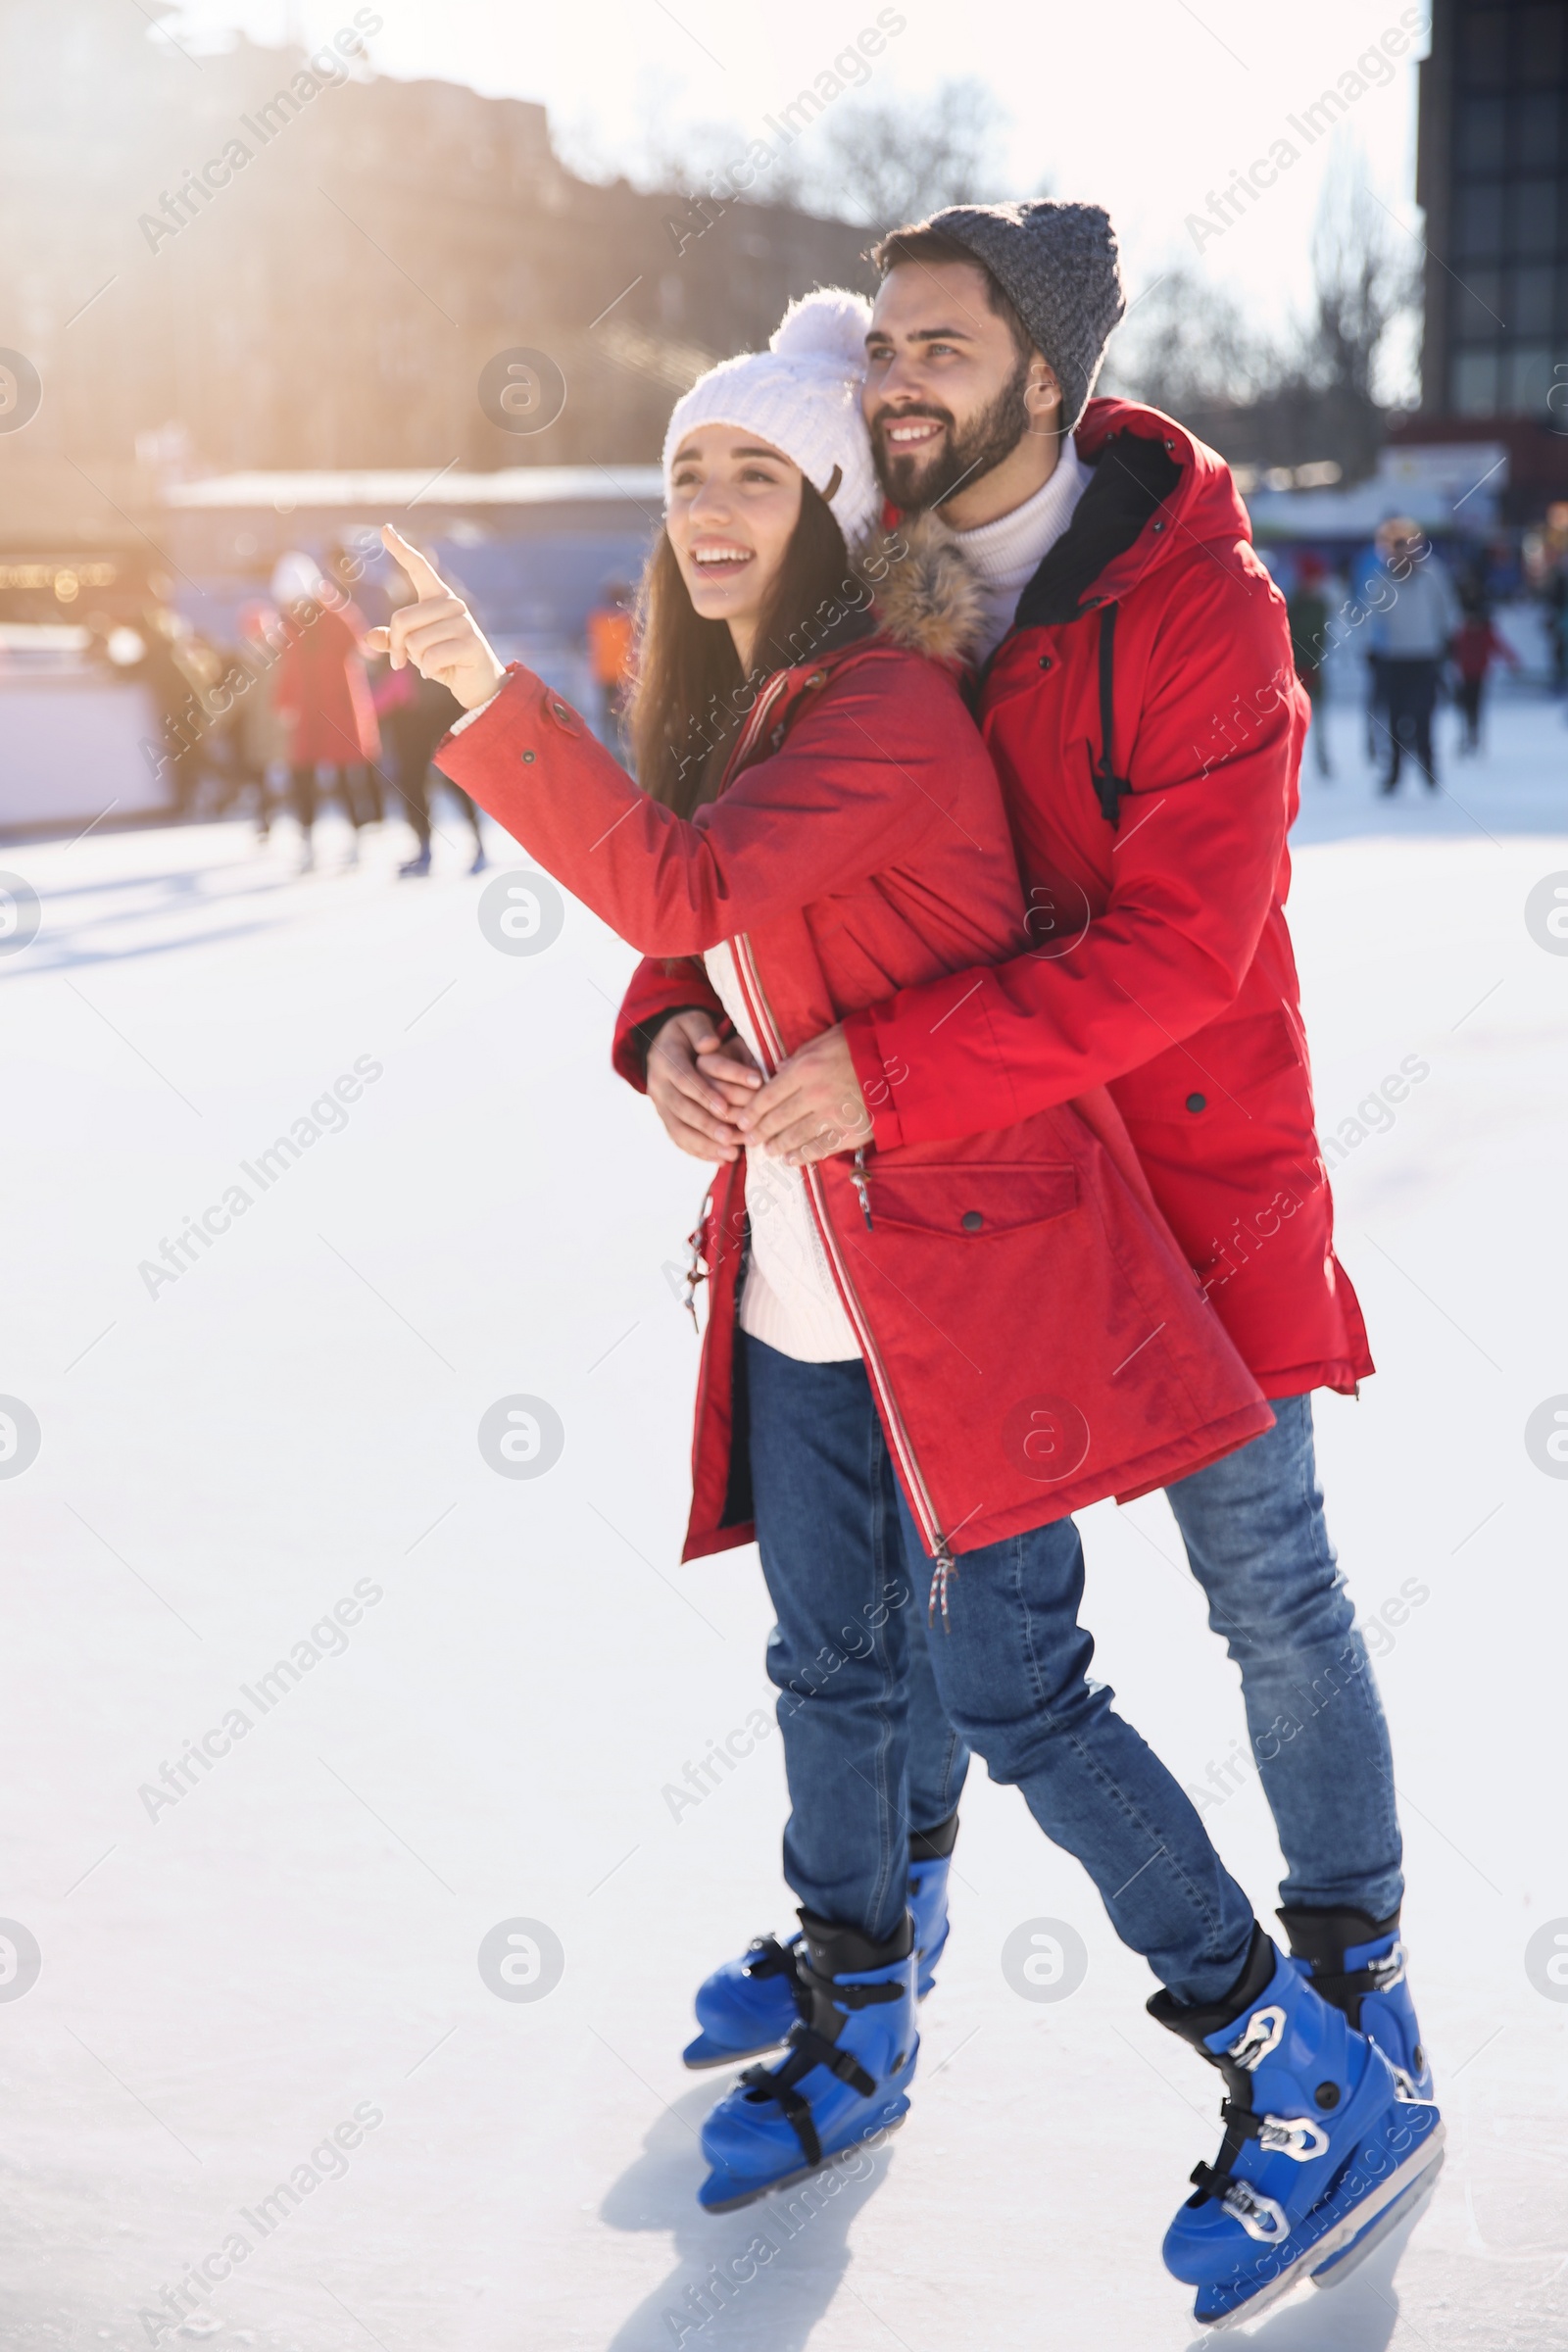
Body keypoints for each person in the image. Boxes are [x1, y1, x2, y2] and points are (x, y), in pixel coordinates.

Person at [376, 286, 1442, 2328]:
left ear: (844, 507)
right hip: (800, 1273)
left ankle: (1295, 2058)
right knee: (829, 1667)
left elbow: (692, 886)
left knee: (1020, 1688)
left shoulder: (873, 703)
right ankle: (858, 1989)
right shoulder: (765, 708)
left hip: (966, 1279)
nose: (707, 500)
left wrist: (479, 691)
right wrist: (669, 1044)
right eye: (687, 464)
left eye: (756, 470)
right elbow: (715, 927)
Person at [373, 555, 486, 876]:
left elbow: (472, 653)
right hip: (410, 713)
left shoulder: (453, 603)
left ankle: (478, 843)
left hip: (443, 705)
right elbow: (391, 658)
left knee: (457, 777)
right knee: (411, 780)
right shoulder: (400, 608)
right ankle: (424, 848)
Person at [270, 552, 382, 870]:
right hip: (309, 712)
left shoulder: (335, 615)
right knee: (302, 776)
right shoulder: (293, 623)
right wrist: (286, 703)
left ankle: (358, 840)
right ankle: (307, 844)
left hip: (337, 708)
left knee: (347, 776)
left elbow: (361, 651)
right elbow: (290, 668)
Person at [1366, 516, 1461, 795]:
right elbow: (1371, 616)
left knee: (1424, 717)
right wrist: (1372, 647)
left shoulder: (1432, 574)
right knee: (1395, 719)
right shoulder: (1383, 579)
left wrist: (1447, 640)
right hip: (1394, 658)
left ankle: (1430, 770)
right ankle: (1394, 773)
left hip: (1425, 656)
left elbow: (1448, 609)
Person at [1448, 597, 1519, 755]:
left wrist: (1512, 662)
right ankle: (1467, 735)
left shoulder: (1486, 633)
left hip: (1479, 674)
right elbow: (1454, 651)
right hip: (1463, 675)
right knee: (1465, 706)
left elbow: (1501, 647)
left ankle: (1474, 735)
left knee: (1476, 706)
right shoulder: (1462, 633)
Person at [1286, 552, 1333, 779]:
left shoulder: (1321, 604)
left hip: (1314, 667)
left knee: (1319, 719)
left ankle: (1322, 759)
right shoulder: (1293, 604)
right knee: (1292, 721)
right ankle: (1290, 762)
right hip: (1293, 670)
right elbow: (1292, 635)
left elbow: (1319, 638)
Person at [585, 578, 635, 760]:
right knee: (623, 716)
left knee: (606, 714)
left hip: (604, 673)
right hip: (623, 674)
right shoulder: (627, 618)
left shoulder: (597, 617)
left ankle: (607, 750)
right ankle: (621, 750)